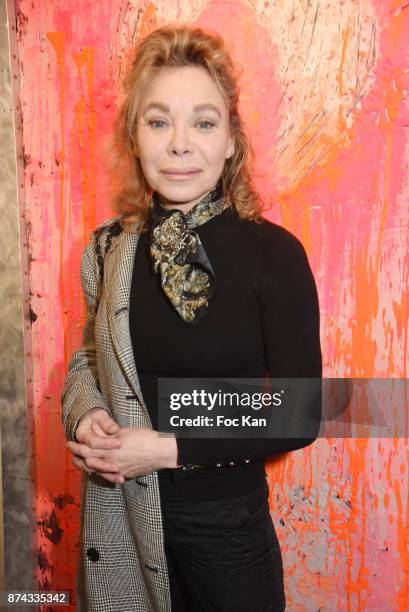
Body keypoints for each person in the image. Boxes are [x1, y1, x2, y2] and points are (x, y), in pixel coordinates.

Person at [61, 24, 322, 612]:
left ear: (231, 139)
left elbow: (301, 410)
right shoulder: (106, 248)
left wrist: (163, 447)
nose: (180, 145)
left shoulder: (273, 254)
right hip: (120, 523)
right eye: (159, 122)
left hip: (225, 541)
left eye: (203, 123)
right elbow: (89, 360)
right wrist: (86, 415)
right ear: (135, 136)